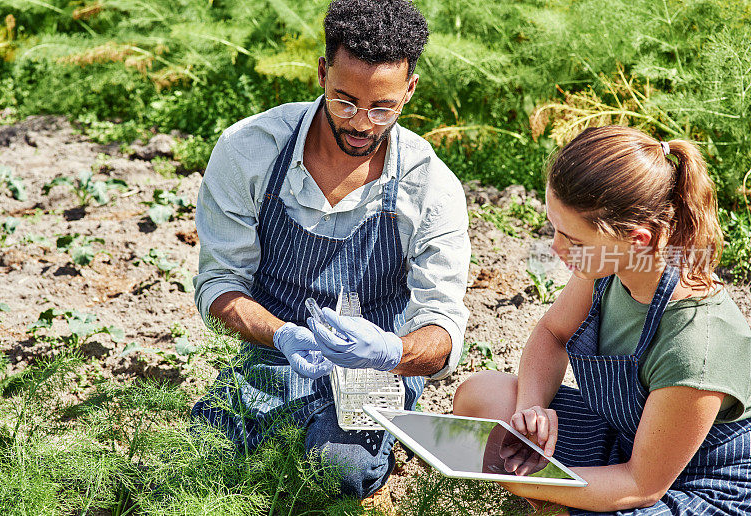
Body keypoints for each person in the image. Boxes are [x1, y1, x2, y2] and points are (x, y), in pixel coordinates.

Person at [190, 0, 470, 500]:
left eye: (382, 107)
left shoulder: (431, 187)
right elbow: (219, 284)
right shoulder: (248, 151)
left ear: (410, 90)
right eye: (345, 101)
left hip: (377, 373)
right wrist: (282, 336)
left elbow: (443, 327)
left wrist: (390, 351)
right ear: (322, 72)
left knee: (333, 471)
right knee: (204, 454)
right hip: (274, 355)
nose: (361, 122)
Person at [453, 126, 751, 515]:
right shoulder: (607, 266)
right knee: (481, 396)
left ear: (639, 239)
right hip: (624, 438)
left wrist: (527, 481)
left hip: (691, 481)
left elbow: (640, 486)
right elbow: (551, 333)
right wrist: (531, 412)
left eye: (574, 241)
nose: (556, 249)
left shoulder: (697, 344)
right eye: (555, 229)